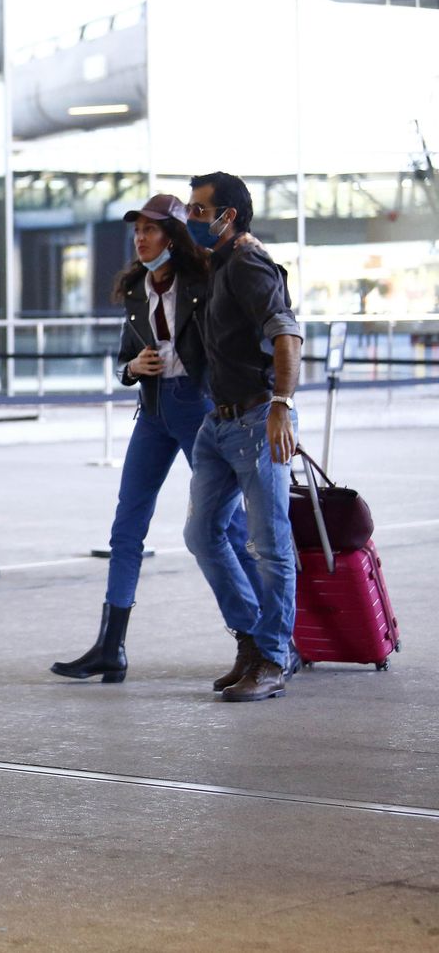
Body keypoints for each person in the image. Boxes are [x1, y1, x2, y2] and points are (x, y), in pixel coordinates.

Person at [51, 195, 263, 684]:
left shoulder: (204, 283)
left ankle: (268, 638)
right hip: (153, 411)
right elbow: (125, 357)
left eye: (150, 230)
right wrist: (132, 367)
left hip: (198, 409)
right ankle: (111, 646)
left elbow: (232, 342)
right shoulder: (136, 290)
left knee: (227, 528)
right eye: (137, 231)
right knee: (127, 527)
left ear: (174, 237)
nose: (140, 239)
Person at [181, 172, 302, 702]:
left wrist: (281, 406)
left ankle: (273, 659)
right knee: (202, 533)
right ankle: (252, 639)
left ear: (229, 217)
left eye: (200, 211)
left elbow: (287, 333)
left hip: (257, 421)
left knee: (271, 546)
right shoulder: (220, 263)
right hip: (219, 421)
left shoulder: (249, 262)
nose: (191, 218)